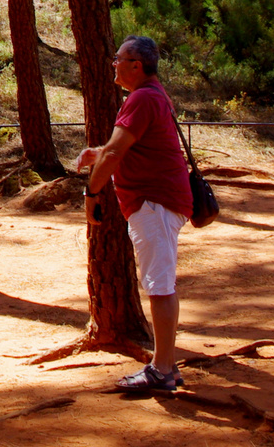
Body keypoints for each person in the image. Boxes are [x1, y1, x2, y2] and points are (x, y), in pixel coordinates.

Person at [76, 34, 194, 393]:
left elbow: (115, 155)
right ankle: (166, 366)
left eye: (119, 59)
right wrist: (99, 153)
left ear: (136, 66)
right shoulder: (150, 95)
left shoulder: (143, 98)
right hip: (158, 201)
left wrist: (91, 193)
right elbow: (120, 148)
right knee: (161, 282)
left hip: (153, 202)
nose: (114, 64)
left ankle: (160, 370)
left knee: (159, 285)